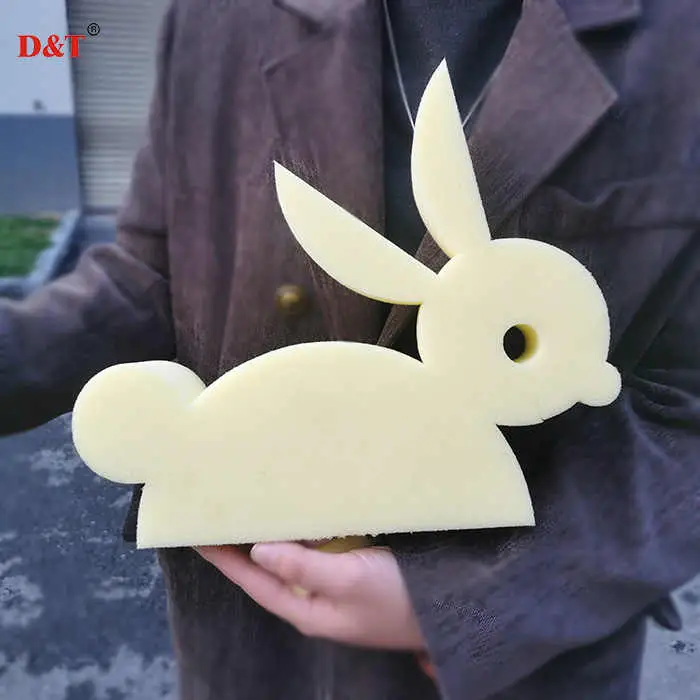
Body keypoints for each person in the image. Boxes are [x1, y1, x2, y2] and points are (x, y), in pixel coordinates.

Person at [2, 0, 699, 698]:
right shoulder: (220, 16)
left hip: (521, 663)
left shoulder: (678, 38)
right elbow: (153, 272)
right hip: (253, 647)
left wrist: (469, 604)